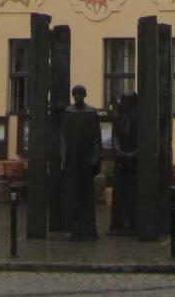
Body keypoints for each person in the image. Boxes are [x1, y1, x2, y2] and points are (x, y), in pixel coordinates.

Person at [60, 84, 103, 241]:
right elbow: (64, 137)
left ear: (84, 95)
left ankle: (89, 230)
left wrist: (94, 157)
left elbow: (97, 138)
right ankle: (75, 230)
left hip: (86, 161)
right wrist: (64, 156)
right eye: (75, 94)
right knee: (74, 197)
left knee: (87, 197)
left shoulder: (91, 112)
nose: (77, 97)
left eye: (79, 94)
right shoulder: (68, 112)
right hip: (73, 160)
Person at [109, 92, 139, 234]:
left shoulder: (140, 120)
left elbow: (143, 140)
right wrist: (121, 154)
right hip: (121, 163)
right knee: (120, 196)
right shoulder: (118, 120)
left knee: (133, 195)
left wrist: (133, 155)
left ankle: (133, 222)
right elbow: (115, 140)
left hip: (134, 165)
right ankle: (118, 223)